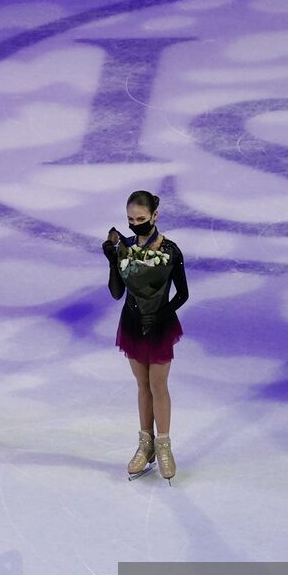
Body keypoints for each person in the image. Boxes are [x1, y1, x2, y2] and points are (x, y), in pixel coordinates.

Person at [102, 190, 188, 481]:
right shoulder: (124, 248)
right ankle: (145, 445)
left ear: (154, 216)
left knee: (158, 385)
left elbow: (183, 293)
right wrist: (111, 260)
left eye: (140, 218)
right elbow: (116, 294)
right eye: (130, 219)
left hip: (160, 324)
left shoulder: (171, 250)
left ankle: (164, 445)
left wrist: (162, 313)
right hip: (132, 323)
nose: (135, 223)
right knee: (142, 384)